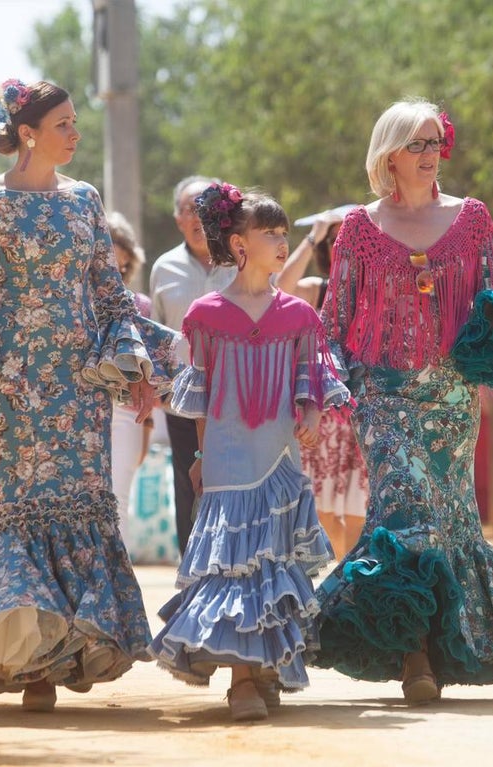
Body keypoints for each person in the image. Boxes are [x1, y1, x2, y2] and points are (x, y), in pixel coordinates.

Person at [0, 79, 178, 712]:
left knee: (80, 508)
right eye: (65, 125)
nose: (76, 135)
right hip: (13, 384)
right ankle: (33, 666)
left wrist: (136, 370)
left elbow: (108, 293)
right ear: (28, 134)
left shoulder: (85, 201)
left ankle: (68, 650)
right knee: (22, 512)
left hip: (81, 386)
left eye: (76, 123)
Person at [310, 99, 493, 705]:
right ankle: (413, 655)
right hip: (381, 396)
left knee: (450, 520)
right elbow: (335, 319)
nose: (431, 155)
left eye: (436, 143)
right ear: (390, 156)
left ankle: (436, 646)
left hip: (455, 396)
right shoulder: (357, 227)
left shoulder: (474, 219)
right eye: (417, 145)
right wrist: (326, 391)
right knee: (404, 518)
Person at [148, 182, 348, 722]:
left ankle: (263, 669)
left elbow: (312, 378)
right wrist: (199, 460)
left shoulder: (300, 316)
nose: (283, 243)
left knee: (273, 563)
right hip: (228, 461)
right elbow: (199, 398)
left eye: (285, 233)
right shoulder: (206, 314)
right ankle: (242, 681)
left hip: (281, 457)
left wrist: (308, 413)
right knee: (238, 566)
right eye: (271, 234)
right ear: (238, 244)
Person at [149, 176, 236, 556]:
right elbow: (157, 333)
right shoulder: (164, 268)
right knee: (188, 481)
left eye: (205, 207)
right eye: (190, 209)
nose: (199, 217)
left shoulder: (240, 259)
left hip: (238, 394)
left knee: (236, 481)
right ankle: (190, 576)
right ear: (177, 218)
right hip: (183, 397)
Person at [277, 205, 369, 558]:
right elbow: (280, 286)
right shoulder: (316, 290)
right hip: (322, 415)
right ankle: (342, 581)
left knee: (359, 512)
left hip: (363, 411)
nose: (342, 246)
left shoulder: (373, 291)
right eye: (334, 240)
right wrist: (313, 233)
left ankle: (352, 587)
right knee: (325, 512)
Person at [106, 211, 155, 536]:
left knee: (118, 499)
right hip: (77, 413)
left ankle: (115, 581)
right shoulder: (72, 303)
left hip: (126, 416)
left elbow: (148, 377)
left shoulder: (141, 306)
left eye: (115, 245)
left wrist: (147, 431)